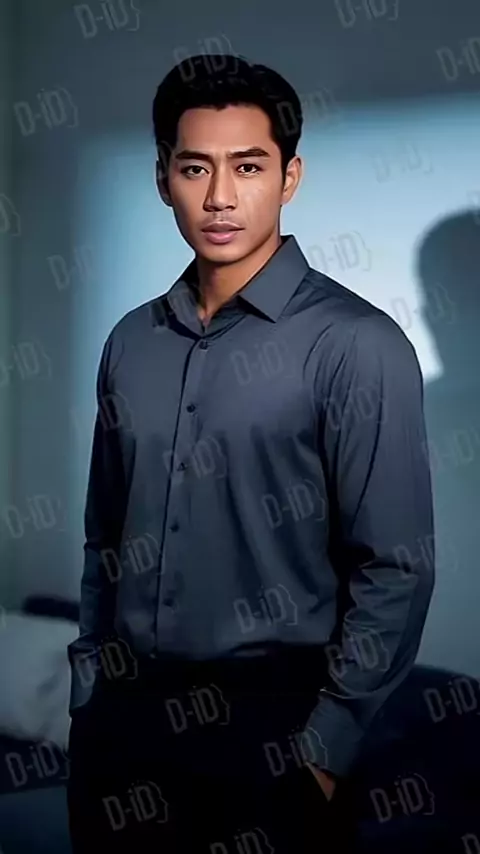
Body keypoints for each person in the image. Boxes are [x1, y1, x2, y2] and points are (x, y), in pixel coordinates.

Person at [66, 52, 435, 853]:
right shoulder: (130, 341)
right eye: (195, 167)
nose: (220, 197)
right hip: (122, 727)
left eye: (249, 166)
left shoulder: (357, 344)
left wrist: (325, 751)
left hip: (274, 731)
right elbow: (105, 537)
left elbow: (397, 567)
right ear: (163, 177)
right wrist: (90, 688)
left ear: (290, 177)